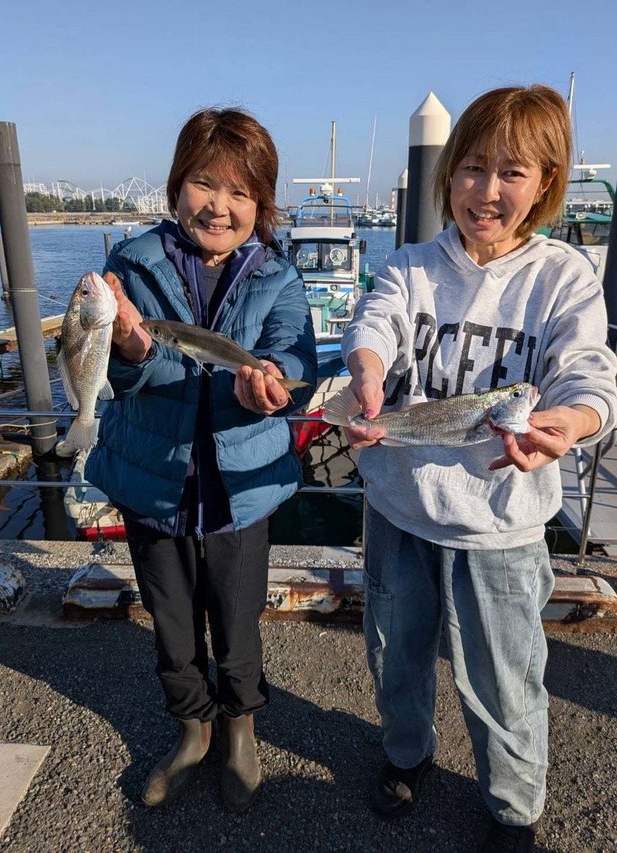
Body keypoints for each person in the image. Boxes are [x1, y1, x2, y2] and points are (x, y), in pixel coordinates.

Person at [339, 85, 617, 851]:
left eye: (511, 172)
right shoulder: (412, 265)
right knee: (394, 654)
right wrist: (367, 371)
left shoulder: (562, 276)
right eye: (471, 167)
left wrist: (572, 421)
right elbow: (377, 322)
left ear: (547, 181)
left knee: (504, 677)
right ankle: (406, 752)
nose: (486, 190)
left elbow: (588, 372)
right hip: (399, 509)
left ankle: (515, 806)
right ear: (448, 174)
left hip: (503, 526)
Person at [85, 107, 317, 812]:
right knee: (172, 622)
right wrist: (132, 350)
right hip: (152, 478)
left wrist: (272, 381)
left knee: (238, 623)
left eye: (240, 191)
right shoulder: (129, 265)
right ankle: (193, 727)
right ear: (176, 186)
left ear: (261, 203)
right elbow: (116, 374)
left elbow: (296, 352)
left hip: (241, 489)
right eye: (204, 183)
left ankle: (240, 726)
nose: (219, 205)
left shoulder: (279, 275)